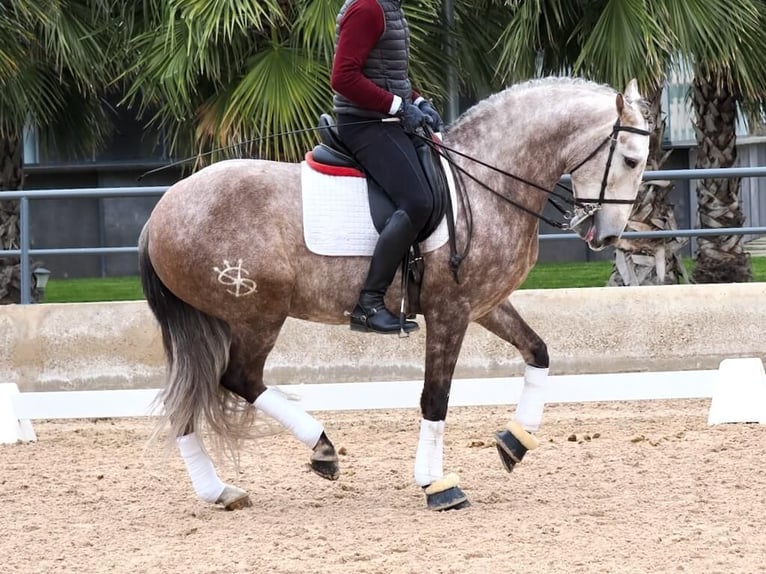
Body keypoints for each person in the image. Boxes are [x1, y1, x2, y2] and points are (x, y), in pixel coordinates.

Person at [331, 0, 443, 335]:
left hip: (387, 119)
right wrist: (398, 106)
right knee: (418, 201)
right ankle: (369, 303)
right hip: (365, 124)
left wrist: (418, 101)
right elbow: (343, 77)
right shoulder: (367, 8)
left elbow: (389, 73)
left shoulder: (389, 7)